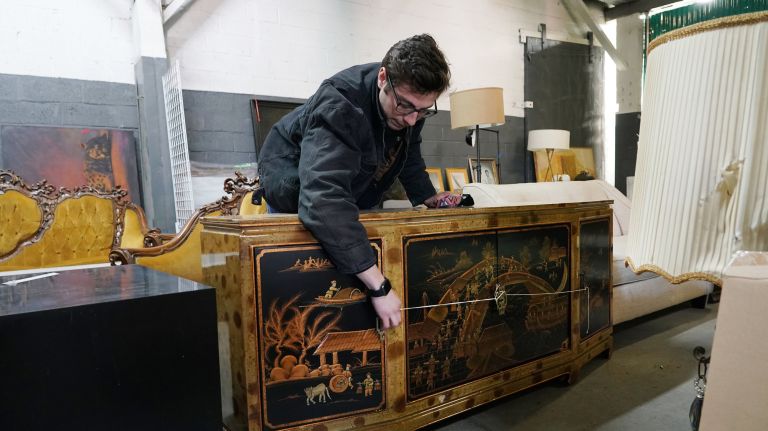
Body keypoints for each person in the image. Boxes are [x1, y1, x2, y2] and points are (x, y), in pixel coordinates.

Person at [258, 34, 461, 330]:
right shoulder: (339, 104)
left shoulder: (410, 106)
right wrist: (380, 286)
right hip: (292, 180)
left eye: (424, 110)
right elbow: (322, 201)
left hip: (340, 188)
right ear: (383, 78)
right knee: (308, 284)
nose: (412, 120)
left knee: (353, 266)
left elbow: (408, 151)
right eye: (405, 106)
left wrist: (427, 195)